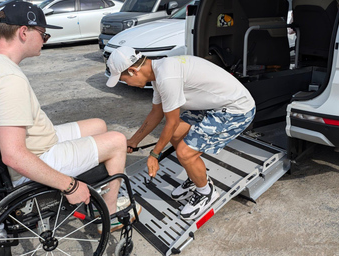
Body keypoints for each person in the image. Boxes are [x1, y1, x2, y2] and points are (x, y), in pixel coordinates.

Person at [0, 1, 140, 232]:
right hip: (36, 156)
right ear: (24, 32)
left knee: (98, 124)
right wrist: (70, 186)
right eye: (43, 34)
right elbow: (14, 155)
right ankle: (108, 211)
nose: (45, 40)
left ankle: (101, 187)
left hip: (36, 141)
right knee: (117, 140)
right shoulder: (8, 79)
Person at [105, 46, 256, 220]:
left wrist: (154, 154)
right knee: (176, 135)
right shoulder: (159, 71)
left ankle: (206, 192)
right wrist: (134, 140)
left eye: (122, 79)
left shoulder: (166, 77)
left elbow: (172, 121)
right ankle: (196, 176)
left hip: (236, 110)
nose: (125, 83)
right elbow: (157, 113)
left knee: (185, 153)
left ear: (132, 71)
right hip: (214, 105)